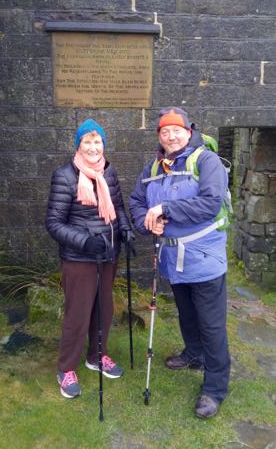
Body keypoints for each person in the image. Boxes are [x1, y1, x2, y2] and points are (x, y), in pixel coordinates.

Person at [129, 107, 231, 419]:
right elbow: (136, 202)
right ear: (159, 136)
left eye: (177, 130)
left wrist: (164, 209)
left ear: (189, 131)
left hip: (205, 258)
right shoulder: (153, 167)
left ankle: (214, 389)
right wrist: (148, 224)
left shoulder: (206, 161)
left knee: (211, 325)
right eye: (164, 131)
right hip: (173, 260)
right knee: (187, 314)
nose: (171, 135)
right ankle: (193, 354)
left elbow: (210, 203)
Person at [45, 118, 135, 399]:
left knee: (104, 309)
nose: (94, 147)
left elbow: (117, 207)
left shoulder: (109, 172)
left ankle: (97, 356)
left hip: (108, 254)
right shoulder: (65, 176)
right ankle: (66, 367)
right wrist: (85, 241)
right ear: (78, 145)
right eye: (88, 142)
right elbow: (54, 223)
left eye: (98, 142)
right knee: (78, 313)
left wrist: (126, 229)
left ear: (103, 145)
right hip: (79, 258)